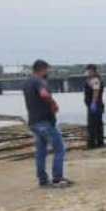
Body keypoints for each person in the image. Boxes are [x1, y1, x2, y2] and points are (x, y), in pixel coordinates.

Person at [22, 60, 73, 188]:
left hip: (33, 121)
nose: (48, 72)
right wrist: (53, 103)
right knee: (59, 148)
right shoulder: (39, 81)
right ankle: (57, 177)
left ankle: (42, 179)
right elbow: (44, 94)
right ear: (42, 69)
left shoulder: (27, 82)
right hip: (44, 121)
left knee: (40, 151)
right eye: (47, 70)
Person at [83, 64, 105, 149]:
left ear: (92, 71)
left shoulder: (95, 80)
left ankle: (92, 144)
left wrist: (93, 103)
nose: (87, 72)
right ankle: (99, 143)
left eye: (88, 71)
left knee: (92, 125)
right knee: (98, 124)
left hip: (95, 104)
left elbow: (96, 92)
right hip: (95, 104)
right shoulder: (92, 80)